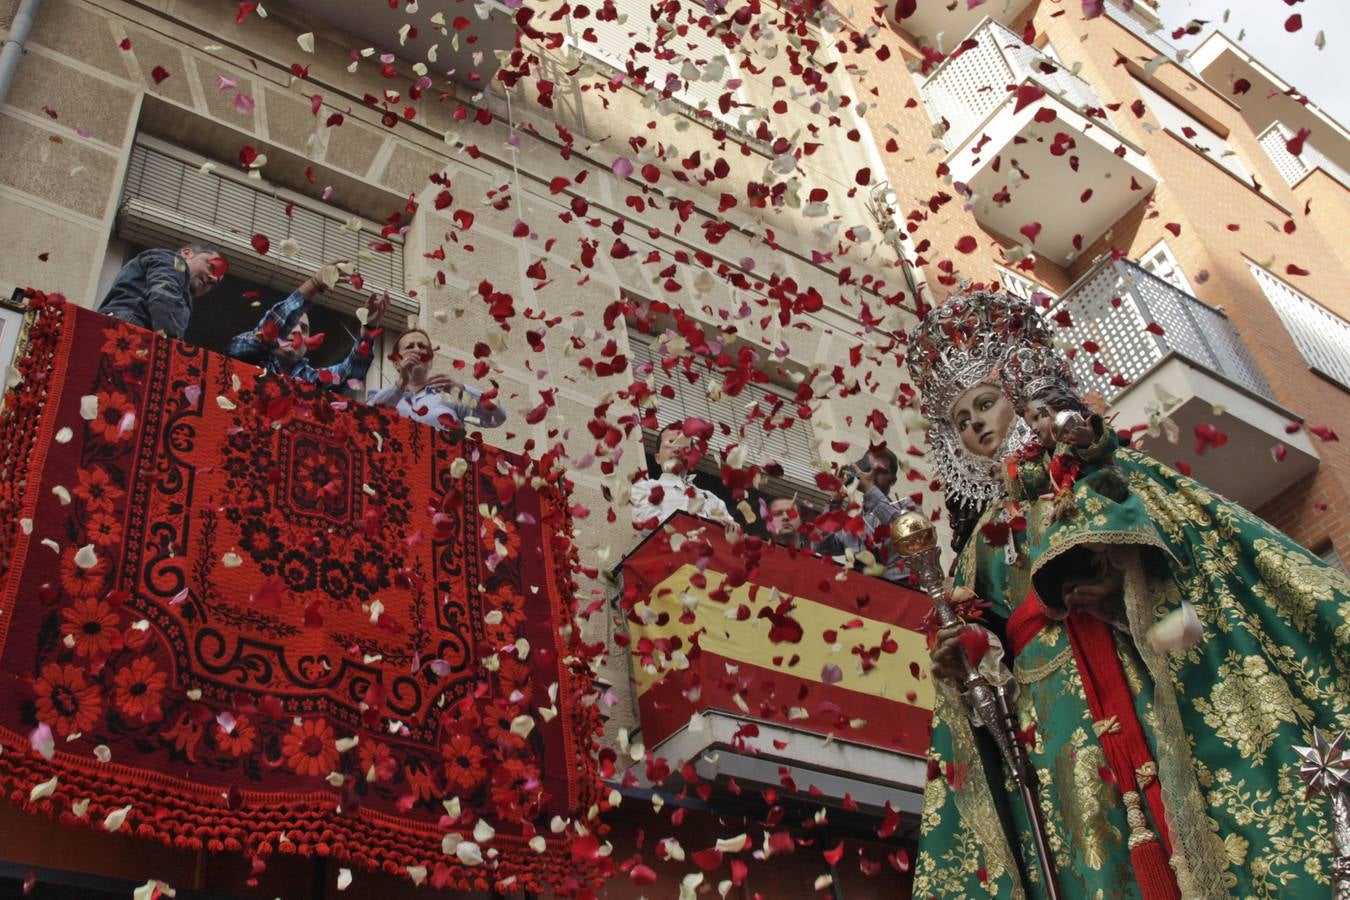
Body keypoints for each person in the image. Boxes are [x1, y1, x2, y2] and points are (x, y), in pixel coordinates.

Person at [908, 289, 1350, 899]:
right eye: (961, 421)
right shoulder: (982, 542)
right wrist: (965, 652)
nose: (976, 423)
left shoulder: (1102, 468)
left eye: (984, 404)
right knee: (1092, 842)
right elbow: (991, 638)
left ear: (1020, 395)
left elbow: (1194, 575)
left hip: (1146, 665)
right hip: (1058, 716)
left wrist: (1125, 577)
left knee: (1192, 805)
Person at [226, 261, 387, 391]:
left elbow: (349, 375)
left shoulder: (310, 379)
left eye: (304, 329)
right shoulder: (247, 347)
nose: (295, 331)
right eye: (291, 325)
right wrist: (315, 284)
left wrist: (368, 332)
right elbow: (270, 329)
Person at [367, 328, 506, 429]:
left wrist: (462, 391)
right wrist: (400, 384)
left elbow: (496, 418)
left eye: (422, 346)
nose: (417, 350)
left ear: (430, 361)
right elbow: (363, 419)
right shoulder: (379, 396)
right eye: (410, 347)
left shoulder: (449, 397)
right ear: (397, 363)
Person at [813, 447, 914, 583]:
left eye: (880, 471)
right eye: (868, 469)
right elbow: (820, 546)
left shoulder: (907, 507)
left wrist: (868, 488)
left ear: (893, 480)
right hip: (859, 592)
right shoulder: (854, 525)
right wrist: (835, 502)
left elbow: (906, 530)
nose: (871, 475)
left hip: (898, 594)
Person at [97, 244, 227, 339]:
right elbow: (163, 293)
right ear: (186, 253)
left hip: (125, 328)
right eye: (212, 267)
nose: (213, 278)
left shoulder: (182, 293)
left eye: (214, 284)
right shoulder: (176, 262)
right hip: (129, 328)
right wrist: (172, 346)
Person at [629, 421, 734, 528]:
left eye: (684, 446)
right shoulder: (644, 489)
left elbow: (735, 534)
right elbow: (646, 522)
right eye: (671, 442)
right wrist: (705, 521)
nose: (678, 449)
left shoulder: (712, 499)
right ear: (658, 458)